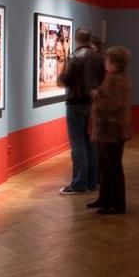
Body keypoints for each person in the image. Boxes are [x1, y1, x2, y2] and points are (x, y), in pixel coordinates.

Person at [57, 27, 105, 195]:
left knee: (77, 143)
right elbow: (102, 81)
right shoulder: (98, 58)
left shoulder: (74, 57)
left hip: (75, 104)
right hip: (92, 104)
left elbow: (66, 81)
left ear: (77, 39)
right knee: (90, 143)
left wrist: (61, 73)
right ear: (89, 39)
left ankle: (78, 184)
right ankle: (92, 182)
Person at [87, 46, 133, 215]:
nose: (105, 62)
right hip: (111, 129)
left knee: (112, 167)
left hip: (112, 130)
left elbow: (113, 104)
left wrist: (96, 96)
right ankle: (104, 198)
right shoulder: (116, 78)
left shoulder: (116, 80)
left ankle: (117, 204)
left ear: (114, 63)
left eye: (107, 60)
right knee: (106, 166)